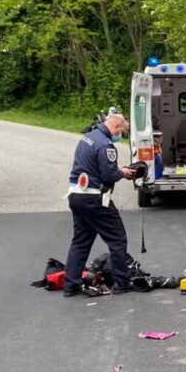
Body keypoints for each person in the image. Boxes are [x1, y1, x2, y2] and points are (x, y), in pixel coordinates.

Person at [64, 110, 136, 297]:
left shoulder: (87, 137)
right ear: (117, 126)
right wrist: (124, 173)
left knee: (80, 241)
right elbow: (109, 175)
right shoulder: (106, 145)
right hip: (94, 198)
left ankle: (71, 285)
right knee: (117, 238)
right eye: (122, 131)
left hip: (76, 195)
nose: (121, 135)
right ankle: (121, 282)